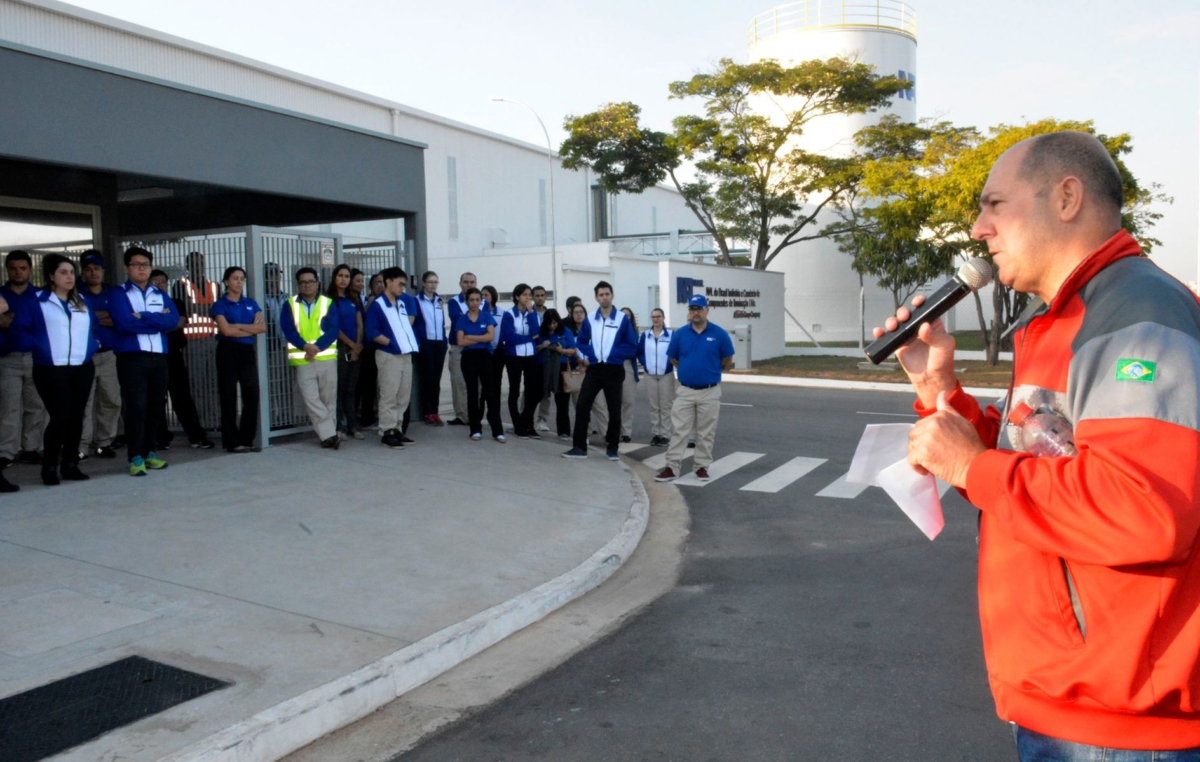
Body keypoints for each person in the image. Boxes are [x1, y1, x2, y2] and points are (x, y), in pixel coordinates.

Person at [874, 132, 1200, 759]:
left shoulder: (1136, 316)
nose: (978, 228)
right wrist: (940, 387)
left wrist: (972, 466)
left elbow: (1143, 511)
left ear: (1067, 197)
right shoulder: (1058, 318)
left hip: (1123, 727)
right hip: (1067, 700)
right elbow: (1033, 447)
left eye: (995, 204)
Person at [16, 255, 98, 485]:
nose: (69, 276)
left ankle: (70, 463)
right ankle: (49, 466)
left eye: (72, 272)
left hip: (82, 367)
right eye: (63, 272)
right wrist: (39, 346)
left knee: (76, 417)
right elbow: (20, 330)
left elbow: (95, 328)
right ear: (51, 276)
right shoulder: (37, 301)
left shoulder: (82, 301)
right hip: (51, 369)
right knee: (60, 416)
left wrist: (93, 346)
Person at [109, 247, 177, 476]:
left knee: (155, 406)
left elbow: (173, 321)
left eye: (145, 264)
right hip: (132, 357)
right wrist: (158, 320)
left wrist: (145, 316)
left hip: (158, 357)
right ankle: (135, 455)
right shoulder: (120, 294)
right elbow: (125, 324)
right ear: (126, 268)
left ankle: (149, 452)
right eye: (136, 264)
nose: (141, 268)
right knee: (136, 406)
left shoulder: (159, 293)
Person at [654, 295, 734, 482]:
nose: (695, 313)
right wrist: (687, 370)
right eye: (692, 309)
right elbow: (673, 358)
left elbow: (727, 360)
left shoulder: (719, 334)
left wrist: (710, 372)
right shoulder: (681, 334)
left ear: (707, 310)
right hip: (685, 390)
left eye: (699, 309)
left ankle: (701, 467)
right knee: (680, 430)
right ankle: (672, 467)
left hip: (709, 390)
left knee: (706, 431)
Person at [562, 281, 638, 461]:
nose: (604, 297)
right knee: (582, 405)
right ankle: (579, 447)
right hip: (595, 369)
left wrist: (614, 355)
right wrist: (592, 356)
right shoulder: (590, 319)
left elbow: (632, 345)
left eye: (607, 294)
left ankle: (612, 448)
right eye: (601, 295)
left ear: (612, 295)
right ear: (596, 298)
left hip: (614, 369)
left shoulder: (622, 319)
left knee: (614, 409)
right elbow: (581, 342)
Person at [152, 269, 214, 451]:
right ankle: (160, 437)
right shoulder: (145, 303)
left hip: (173, 355)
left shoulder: (176, 302)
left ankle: (197, 436)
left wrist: (153, 324)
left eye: (163, 282)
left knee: (182, 397)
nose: (160, 285)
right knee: (156, 398)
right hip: (153, 356)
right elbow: (170, 323)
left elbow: (181, 322)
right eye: (155, 282)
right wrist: (167, 323)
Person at [279, 267, 340, 449]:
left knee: (329, 398)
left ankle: (328, 436)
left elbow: (334, 330)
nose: (307, 285)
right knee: (311, 399)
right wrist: (305, 346)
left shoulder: (328, 303)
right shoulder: (289, 304)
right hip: (303, 360)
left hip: (326, 358)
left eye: (311, 281)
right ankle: (330, 433)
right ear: (298, 284)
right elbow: (288, 330)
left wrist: (315, 348)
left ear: (317, 283)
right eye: (303, 282)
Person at [0, 250, 47, 470]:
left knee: (36, 406)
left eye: (23, 268)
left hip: (35, 357)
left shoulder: (40, 295)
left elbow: (43, 325)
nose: (18, 272)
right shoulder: (1, 294)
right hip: (7, 357)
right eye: (13, 268)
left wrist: (10, 319)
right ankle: (6, 452)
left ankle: (30, 448)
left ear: (29, 269)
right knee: (8, 407)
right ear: (7, 269)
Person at [365, 267, 419, 449]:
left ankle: (397, 428)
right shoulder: (378, 305)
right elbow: (372, 332)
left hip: (405, 355)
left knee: (403, 395)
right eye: (400, 284)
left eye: (404, 284)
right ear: (388, 282)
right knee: (389, 394)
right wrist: (391, 343)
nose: (403, 287)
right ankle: (387, 431)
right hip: (389, 355)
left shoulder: (401, 304)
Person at [211, 266, 264, 452]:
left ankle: (247, 439)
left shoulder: (250, 303)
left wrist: (238, 326)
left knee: (252, 393)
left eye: (242, 278)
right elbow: (225, 330)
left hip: (246, 350)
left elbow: (261, 328)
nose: (239, 282)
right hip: (227, 350)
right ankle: (232, 441)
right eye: (235, 278)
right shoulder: (220, 304)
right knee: (228, 394)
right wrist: (248, 328)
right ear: (226, 281)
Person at [78, 251, 121, 459]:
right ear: (82, 272)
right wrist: (100, 317)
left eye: (96, 268)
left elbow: (119, 320)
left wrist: (93, 317)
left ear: (103, 271)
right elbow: (79, 321)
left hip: (109, 355)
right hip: (84, 356)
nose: (93, 273)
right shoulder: (75, 294)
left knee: (111, 400)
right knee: (84, 402)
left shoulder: (113, 293)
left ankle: (104, 442)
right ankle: (81, 445)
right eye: (88, 269)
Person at [454, 287, 505, 442]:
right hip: (468, 358)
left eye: (477, 300)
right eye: (471, 300)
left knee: (490, 392)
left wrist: (471, 336)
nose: (475, 303)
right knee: (472, 392)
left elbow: (490, 336)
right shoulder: (462, 319)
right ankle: (475, 429)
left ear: (481, 301)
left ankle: (497, 431)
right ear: (467, 301)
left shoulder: (486, 316)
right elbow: (460, 341)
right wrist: (480, 337)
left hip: (485, 357)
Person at [326, 264, 364, 440]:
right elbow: (335, 328)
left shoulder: (353, 299)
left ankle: (352, 426)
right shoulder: (329, 300)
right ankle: (338, 427)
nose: (344, 279)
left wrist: (357, 346)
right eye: (340, 275)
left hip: (355, 348)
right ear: (334, 278)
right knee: (339, 389)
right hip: (339, 348)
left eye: (347, 276)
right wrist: (351, 345)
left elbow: (359, 325)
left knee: (351, 388)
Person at [500, 283, 543, 439]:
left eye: (529, 295)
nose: (527, 297)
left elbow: (536, 332)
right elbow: (510, 338)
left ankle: (528, 423)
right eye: (524, 294)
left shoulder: (532, 314)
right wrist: (528, 339)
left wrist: (531, 312)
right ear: (517, 296)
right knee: (515, 391)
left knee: (531, 391)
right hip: (514, 356)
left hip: (530, 356)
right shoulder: (509, 314)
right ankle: (518, 425)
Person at [446, 272, 487, 427]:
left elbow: (486, 323)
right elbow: (459, 322)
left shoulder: (482, 302)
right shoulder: (454, 302)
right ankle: (462, 416)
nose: (469, 285)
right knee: (458, 382)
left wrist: (473, 329)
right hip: (459, 347)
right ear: (460, 283)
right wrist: (477, 328)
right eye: (466, 282)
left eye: (472, 282)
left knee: (477, 384)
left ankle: (474, 416)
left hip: (478, 347)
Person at [413, 270, 448, 426]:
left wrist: (444, 341)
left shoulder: (439, 301)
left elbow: (441, 323)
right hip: (425, 342)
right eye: (430, 282)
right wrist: (419, 342)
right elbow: (415, 323)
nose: (433, 285)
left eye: (435, 282)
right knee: (427, 378)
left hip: (439, 343)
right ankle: (426, 412)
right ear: (423, 283)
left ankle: (435, 411)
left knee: (436, 379)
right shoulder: (417, 301)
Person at [536, 308, 577, 440]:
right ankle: (532, 423)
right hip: (544, 368)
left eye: (554, 323)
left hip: (561, 367)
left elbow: (573, 350)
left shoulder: (565, 331)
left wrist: (562, 350)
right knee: (538, 395)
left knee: (562, 400)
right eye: (549, 324)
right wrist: (542, 345)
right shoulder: (541, 331)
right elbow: (534, 348)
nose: (552, 326)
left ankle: (564, 430)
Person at [638, 308, 675, 446]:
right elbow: (640, 351)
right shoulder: (646, 335)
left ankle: (665, 434)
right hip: (650, 375)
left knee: (665, 405)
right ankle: (656, 434)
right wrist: (645, 363)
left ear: (663, 317)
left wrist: (670, 364)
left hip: (666, 374)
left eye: (658, 316)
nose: (655, 319)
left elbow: (675, 351)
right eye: (653, 316)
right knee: (654, 406)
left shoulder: (671, 334)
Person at [357, 271, 385, 431]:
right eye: (376, 283)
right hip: (369, 349)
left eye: (382, 282)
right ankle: (367, 418)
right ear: (371, 286)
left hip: (384, 348)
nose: (380, 285)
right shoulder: (369, 302)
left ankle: (380, 415)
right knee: (369, 385)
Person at [173, 251, 220, 339]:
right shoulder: (180, 285)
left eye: (201, 264)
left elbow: (222, 310)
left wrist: (194, 307)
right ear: (187, 267)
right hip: (189, 338)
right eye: (194, 264)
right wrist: (211, 309)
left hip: (214, 337)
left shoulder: (215, 286)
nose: (198, 267)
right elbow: (183, 309)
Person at [481, 285, 504, 422]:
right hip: (484, 351)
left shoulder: (501, 312)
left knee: (496, 385)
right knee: (483, 386)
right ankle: (478, 414)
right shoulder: (478, 313)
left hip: (498, 351)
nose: (484, 298)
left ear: (493, 297)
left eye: (486, 295)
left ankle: (494, 415)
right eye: (482, 295)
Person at [531, 285, 553, 432]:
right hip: (531, 356)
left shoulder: (549, 314)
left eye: (542, 295)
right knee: (529, 389)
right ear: (533, 297)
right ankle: (525, 417)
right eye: (537, 295)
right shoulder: (528, 313)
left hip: (547, 357)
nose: (539, 298)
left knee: (546, 390)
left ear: (545, 297)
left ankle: (542, 419)